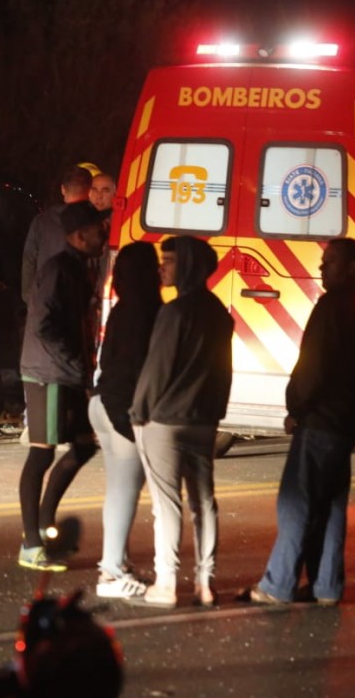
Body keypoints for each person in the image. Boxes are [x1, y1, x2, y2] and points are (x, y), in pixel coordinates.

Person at [250, 237, 355, 607]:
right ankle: (326, 585)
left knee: (296, 501)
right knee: (332, 504)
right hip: (347, 422)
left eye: (331, 261)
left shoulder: (331, 308)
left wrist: (296, 408)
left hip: (320, 419)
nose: (322, 266)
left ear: (352, 267)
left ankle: (278, 583)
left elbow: (314, 366)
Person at [130, 236, 233, 607]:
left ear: (187, 265)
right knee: (204, 502)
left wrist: (138, 411)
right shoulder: (219, 313)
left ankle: (167, 582)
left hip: (166, 420)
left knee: (166, 504)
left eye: (170, 260)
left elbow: (157, 368)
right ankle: (205, 583)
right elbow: (224, 371)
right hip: (203, 419)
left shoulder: (174, 313)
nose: (163, 267)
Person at [18, 201, 109, 571]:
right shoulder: (58, 269)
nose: (104, 235)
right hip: (48, 373)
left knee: (84, 446)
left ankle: (44, 525)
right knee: (41, 453)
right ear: (80, 235)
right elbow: (44, 324)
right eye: (99, 230)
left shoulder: (79, 268)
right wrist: (72, 358)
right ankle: (31, 544)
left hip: (69, 372)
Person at [89, 242, 162, 599]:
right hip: (124, 408)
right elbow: (141, 368)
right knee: (124, 491)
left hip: (102, 402)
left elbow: (108, 359)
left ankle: (119, 563)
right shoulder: (149, 310)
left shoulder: (121, 308)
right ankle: (111, 573)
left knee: (118, 488)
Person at [20, 166, 94, 306]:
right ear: (89, 191)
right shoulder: (95, 223)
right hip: (79, 298)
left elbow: (29, 259)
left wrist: (28, 296)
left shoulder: (42, 221)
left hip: (45, 296)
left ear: (63, 189)